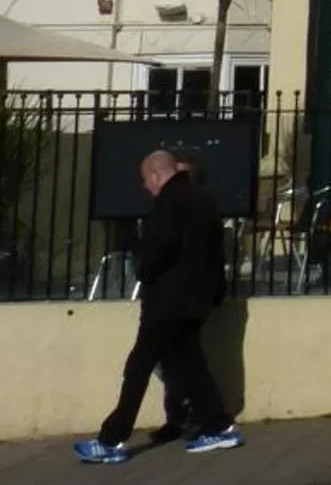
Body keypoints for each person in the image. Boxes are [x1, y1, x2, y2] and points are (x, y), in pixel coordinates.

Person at [73, 150, 240, 464]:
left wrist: (144, 270)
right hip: (196, 301)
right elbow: (216, 254)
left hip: (167, 302)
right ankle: (218, 425)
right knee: (190, 365)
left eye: (145, 180)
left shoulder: (168, 202)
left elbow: (158, 250)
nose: (146, 187)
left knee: (138, 366)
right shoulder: (204, 200)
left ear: (155, 175)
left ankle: (111, 440)